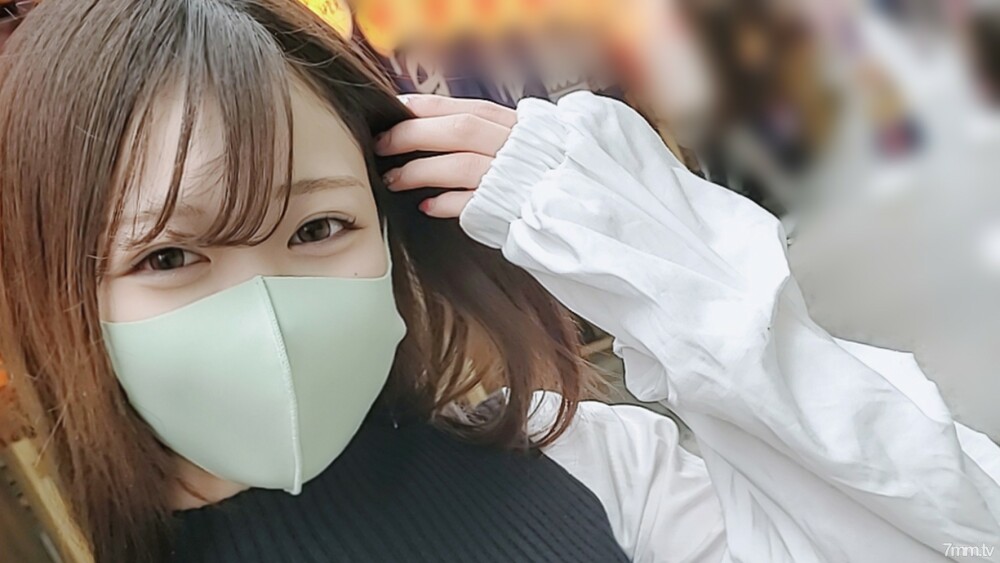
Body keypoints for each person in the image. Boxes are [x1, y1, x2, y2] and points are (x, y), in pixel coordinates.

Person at [0, 2, 997, 563]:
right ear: (57, 290)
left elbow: (946, 533)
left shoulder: (580, 458)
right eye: (169, 256)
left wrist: (656, 256)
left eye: (319, 227)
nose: (268, 314)